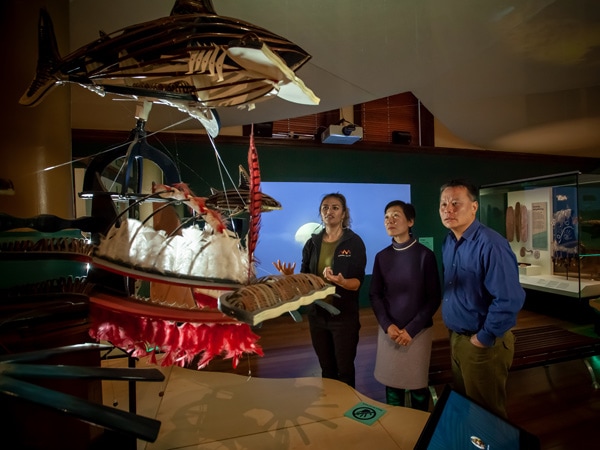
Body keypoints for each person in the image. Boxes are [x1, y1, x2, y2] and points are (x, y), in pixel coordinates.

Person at [439, 179, 525, 418]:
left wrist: (483, 338)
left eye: (456, 203)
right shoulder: (449, 242)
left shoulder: (491, 244)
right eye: (444, 204)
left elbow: (509, 299)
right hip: (457, 339)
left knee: (487, 415)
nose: (448, 209)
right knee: (467, 406)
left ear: (474, 207)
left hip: (483, 344)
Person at [273, 192, 366, 388]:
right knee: (327, 369)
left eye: (335, 207)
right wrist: (291, 277)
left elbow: (357, 283)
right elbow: (305, 282)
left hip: (344, 318)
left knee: (345, 370)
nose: (329, 211)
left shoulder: (354, 242)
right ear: (320, 213)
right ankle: (331, 410)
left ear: (343, 214)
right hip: (317, 316)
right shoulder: (311, 243)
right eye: (325, 207)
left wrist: (341, 281)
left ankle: (347, 411)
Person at [369, 200, 441, 411]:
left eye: (395, 216)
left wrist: (411, 330)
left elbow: (433, 297)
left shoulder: (425, 256)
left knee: (417, 387)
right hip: (389, 331)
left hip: (417, 333)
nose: (389, 220)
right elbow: (374, 294)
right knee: (392, 386)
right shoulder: (382, 257)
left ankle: (418, 427)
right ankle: (396, 426)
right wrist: (387, 325)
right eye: (386, 217)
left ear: (410, 221)